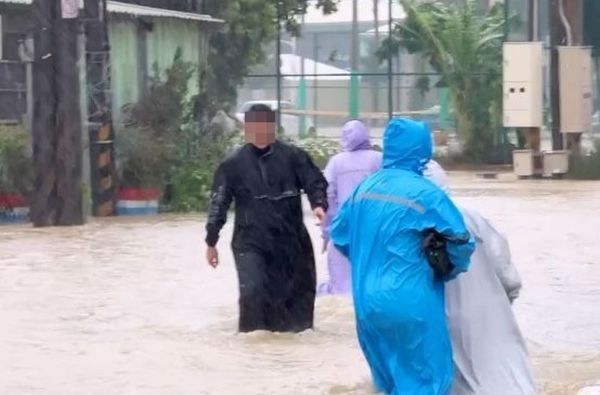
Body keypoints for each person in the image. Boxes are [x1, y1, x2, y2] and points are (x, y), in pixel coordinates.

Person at [330, 117, 475, 395]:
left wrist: (368, 257)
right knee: (426, 382)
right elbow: (461, 240)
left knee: (387, 383)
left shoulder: (364, 189)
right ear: (422, 150)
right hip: (411, 302)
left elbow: (339, 235)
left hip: (366, 305)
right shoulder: (426, 193)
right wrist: (448, 267)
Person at [205, 104, 328, 333]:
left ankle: (286, 354)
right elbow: (218, 203)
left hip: (291, 240)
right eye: (255, 126)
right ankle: (253, 350)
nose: (260, 132)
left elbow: (315, 181)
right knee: (254, 292)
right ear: (246, 129)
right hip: (251, 241)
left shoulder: (294, 156)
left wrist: (318, 204)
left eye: (265, 126)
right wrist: (211, 240)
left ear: (273, 127)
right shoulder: (232, 164)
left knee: (296, 301)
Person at [424, 160, 537, 395]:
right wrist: (505, 302)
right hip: (488, 317)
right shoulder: (473, 220)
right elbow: (509, 277)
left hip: (438, 324)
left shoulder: (409, 228)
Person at [319, 120, 382, 295]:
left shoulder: (335, 163)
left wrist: (326, 232)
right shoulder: (378, 159)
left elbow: (328, 198)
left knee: (341, 287)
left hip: (343, 229)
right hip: (374, 228)